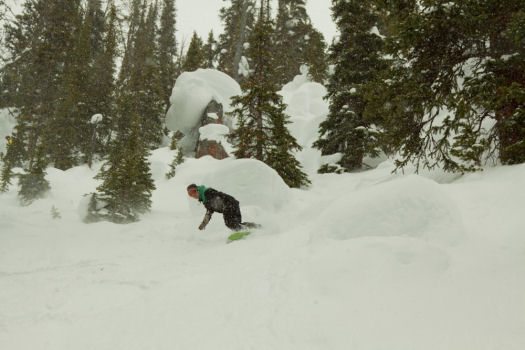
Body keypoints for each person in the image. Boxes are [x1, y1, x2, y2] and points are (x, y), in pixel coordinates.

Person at [187, 184, 258, 231]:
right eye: (190, 194)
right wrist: (204, 223)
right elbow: (210, 210)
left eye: (193, 192)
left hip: (229, 205)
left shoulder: (207, 192)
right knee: (235, 224)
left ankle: (243, 231)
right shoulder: (204, 199)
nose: (193, 195)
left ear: (197, 190)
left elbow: (211, 208)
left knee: (230, 224)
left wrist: (203, 224)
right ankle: (255, 227)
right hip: (232, 204)